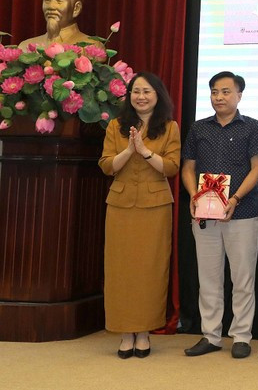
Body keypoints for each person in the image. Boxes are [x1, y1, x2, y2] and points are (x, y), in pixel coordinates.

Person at [182, 71, 258, 359]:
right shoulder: (198, 128)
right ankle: (211, 335)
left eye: (226, 91)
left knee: (242, 278)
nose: (219, 97)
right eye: (215, 92)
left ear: (239, 95)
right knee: (209, 278)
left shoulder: (253, 127)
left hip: (242, 212)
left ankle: (241, 336)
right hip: (204, 214)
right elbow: (188, 168)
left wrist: (236, 198)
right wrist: (195, 195)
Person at [98, 72, 180, 359]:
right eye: (136, 91)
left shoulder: (169, 127)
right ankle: (124, 332)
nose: (141, 96)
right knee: (120, 270)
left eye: (147, 91)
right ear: (129, 96)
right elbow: (107, 165)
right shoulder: (116, 126)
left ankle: (143, 332)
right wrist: (129, 150)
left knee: (149, 270)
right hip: (120, 207)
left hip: (155, 208)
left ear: (158, 96)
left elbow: (170, 168)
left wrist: (144, 151)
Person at [20, 0, 100, 48]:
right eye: (47, 0)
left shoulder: (91, 47)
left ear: (76, 8)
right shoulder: (26, 46)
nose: (51, 6)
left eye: (59, 1)